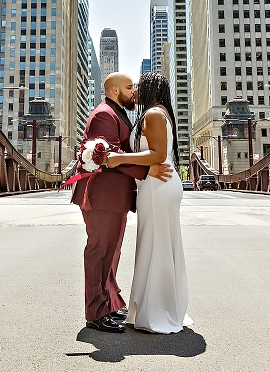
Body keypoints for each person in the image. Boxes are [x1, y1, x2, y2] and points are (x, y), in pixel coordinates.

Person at [72, 73, 172, 333]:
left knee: (111, 252)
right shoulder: (104, 114)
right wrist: (147, 170)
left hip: (114, 196)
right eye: (129, 87)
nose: (134, 91)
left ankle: (109, 304)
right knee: (100, 252)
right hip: (102, 195)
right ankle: (96, 313)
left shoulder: (117, 112)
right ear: (115, 90)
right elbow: (109, 155)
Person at [106, 72, 193, 334]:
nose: (134, 91)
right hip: (155, 185)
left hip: (158, 186)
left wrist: (119, 159)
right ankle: (157, 307)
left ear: (149, 88)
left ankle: (158, 312)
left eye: (138, 86)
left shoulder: (154, 114)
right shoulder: (157, 112)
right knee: (156, 245)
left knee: (157, 246)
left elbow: (157, 154)